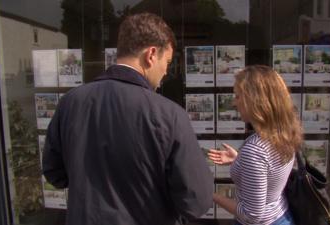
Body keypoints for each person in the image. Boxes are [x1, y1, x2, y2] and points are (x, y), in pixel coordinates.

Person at [43, 12, 213, 225]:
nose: (166, 71)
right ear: (151, 54)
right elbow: (196, 201)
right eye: (167, 62)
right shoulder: (169, 115)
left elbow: (54, 174)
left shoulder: (70, 102)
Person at [208, 65, 303, 225]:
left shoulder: (256, 149)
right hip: (281, 216)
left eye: (238, 97)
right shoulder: (283, 133)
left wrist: (211, 194)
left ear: (255, 101)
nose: (234, 103)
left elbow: (251, 215)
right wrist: (238, 159)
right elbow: (269, 172)